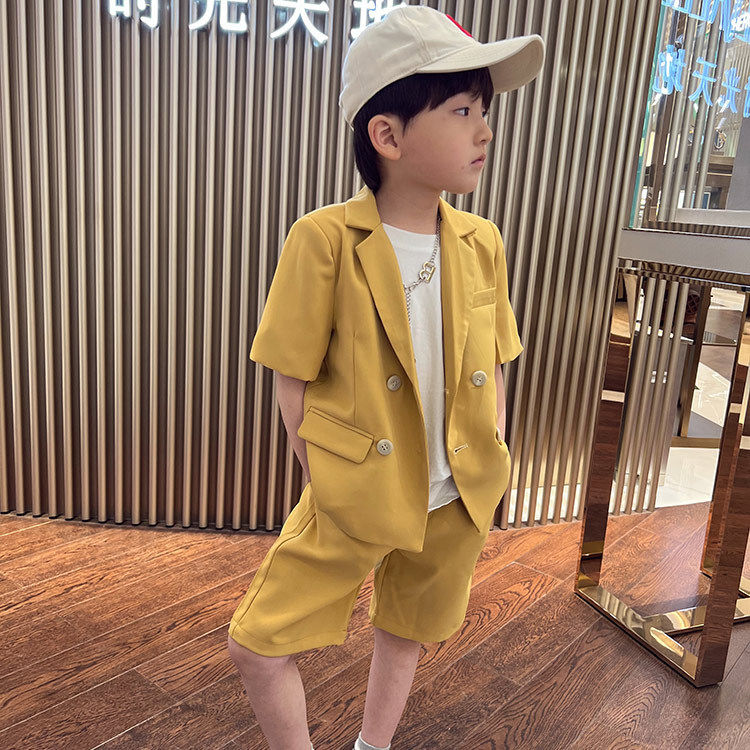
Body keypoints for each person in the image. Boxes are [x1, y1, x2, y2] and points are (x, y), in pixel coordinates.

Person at [226, 6, 545, 749]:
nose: (485, 131)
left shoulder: (482, 242)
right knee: (259, 644)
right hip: (355, 491)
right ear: (388, 136)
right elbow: (290, 374)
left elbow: (495, 357)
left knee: (406, 630)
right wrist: (321, 472)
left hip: (454, 495)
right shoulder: (324, 239)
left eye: (484, 111)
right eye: (462, 110)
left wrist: (492, 445)